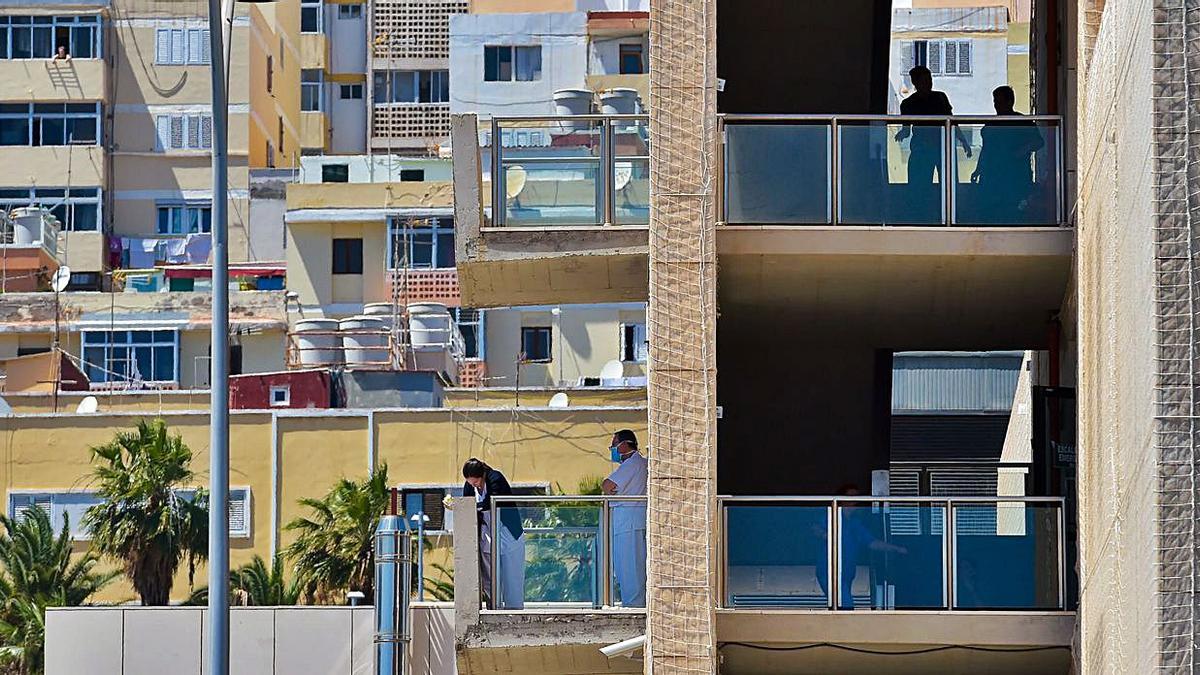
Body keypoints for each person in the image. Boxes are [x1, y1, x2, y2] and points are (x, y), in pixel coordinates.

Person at [971, 86, 1046, 221]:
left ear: (1010, 102)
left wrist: (1021, 151)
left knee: (1014, 212)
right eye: (995, 102)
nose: (997, 105)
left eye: (1000, 102)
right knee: (991, 213)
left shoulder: (1022, 122)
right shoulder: (991, 125)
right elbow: (985, 150)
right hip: (992, 176)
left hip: (1015, 176)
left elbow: (1039, 142)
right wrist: (978, 169)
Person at [462, 458, 525, 609]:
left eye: (476, 482)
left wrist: (476, 507)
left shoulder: (495, 478)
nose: (474, 486)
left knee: (512, 577)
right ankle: (493, 609)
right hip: (486, 534)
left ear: (482, 475)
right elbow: (466, 504)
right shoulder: (469, 486)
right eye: (471, 483)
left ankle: (514, 612)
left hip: (507, 531)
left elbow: (495, 501)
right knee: (489, 577)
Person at [895, 66, 971, 184]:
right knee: (920, 186)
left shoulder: (940, 98)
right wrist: (901, 133)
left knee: (948, 184)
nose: (929, 83)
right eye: (925, 80)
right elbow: (906, 130)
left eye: (929, 80)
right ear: (916, 82)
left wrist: (963, 141)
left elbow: (951, 123)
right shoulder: (909, 103)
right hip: (924, 149)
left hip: (942, 148)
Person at [602, 429, 647, 607]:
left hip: (628, 523)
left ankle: (633, 605)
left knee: (629, 567)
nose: (613, 450)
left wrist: (608, 488)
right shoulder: (641, 464)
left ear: (624, 445)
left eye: (614, 445)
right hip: (632, 520)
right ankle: (634, 603)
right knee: (631, 566)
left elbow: (607, 485)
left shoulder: (632, 464)